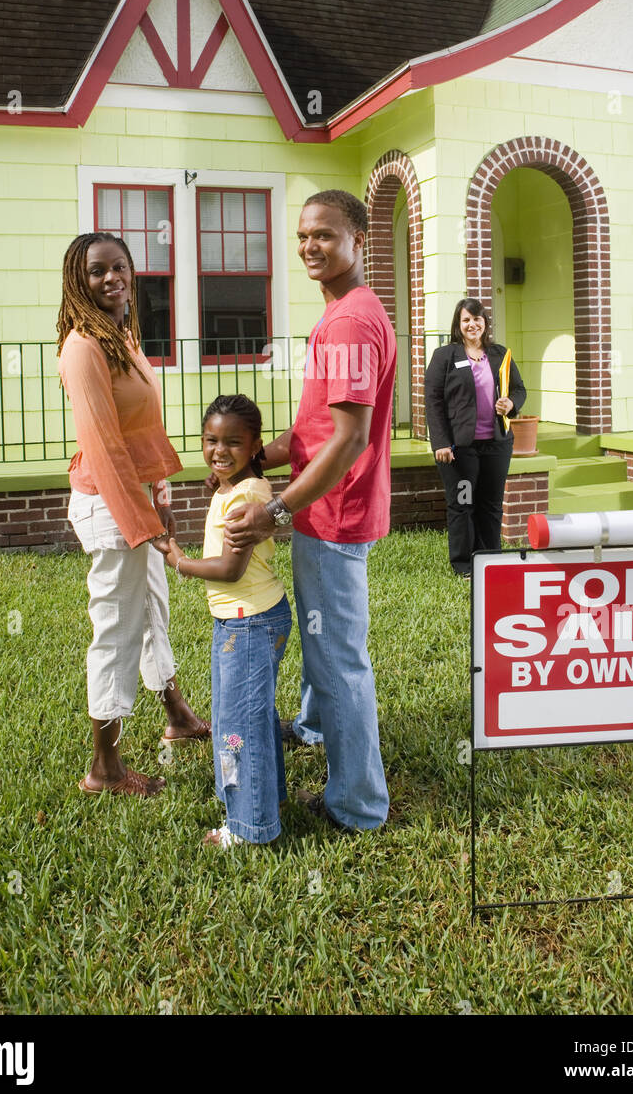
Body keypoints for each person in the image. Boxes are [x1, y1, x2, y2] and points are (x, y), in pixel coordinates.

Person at [224, 190, 396, 833]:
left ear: (358, 240)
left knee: (339, 660)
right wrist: (252, 459)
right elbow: (319, 429)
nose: (309, 247)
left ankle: (357, 805)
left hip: (333, 514)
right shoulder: (344, 312)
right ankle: (316, 728)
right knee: (328, 645)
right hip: (330, 508)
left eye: (325, 234)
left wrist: (278, 508)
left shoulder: (350, 321)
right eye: (302, 236)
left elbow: (349, 439)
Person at [57, 231, 209, 798]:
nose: (112, 278)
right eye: (98, 271)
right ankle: (105, 769)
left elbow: (140, 426)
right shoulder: (84, 347)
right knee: (117, 629)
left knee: (153, 610)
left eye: (120, 267)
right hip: (110, 505)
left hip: (137, 498)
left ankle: (176, 713)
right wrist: (142, 523)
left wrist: (160, 493)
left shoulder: (121, 334)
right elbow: (102, 445)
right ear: (79, 280)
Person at [156, 395, 292, 849]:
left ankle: (248, 828)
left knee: (237, 726)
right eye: (212, 440)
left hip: (248, 623)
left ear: (256, 446)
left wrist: (180, 562)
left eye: (233, 442)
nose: (219, 450)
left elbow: (230, 570)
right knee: (253, 719)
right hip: (246, 621)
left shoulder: (248, 495)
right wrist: (222, 476)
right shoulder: (234, 486)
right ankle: (267, 803)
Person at [424, 296, 527, 577]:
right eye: (466, 319)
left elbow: (519, 389)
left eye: (477, 319)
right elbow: (433, 401)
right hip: (460, 449)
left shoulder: (499, 354)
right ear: (459, 324)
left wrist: (511, 404)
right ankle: (464, 565)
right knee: (463, 503)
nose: (472, 324)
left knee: (490, 505)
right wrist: (441, 442)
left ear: (485, 322)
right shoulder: (445, 356)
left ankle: (489, 559)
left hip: (496, 445)